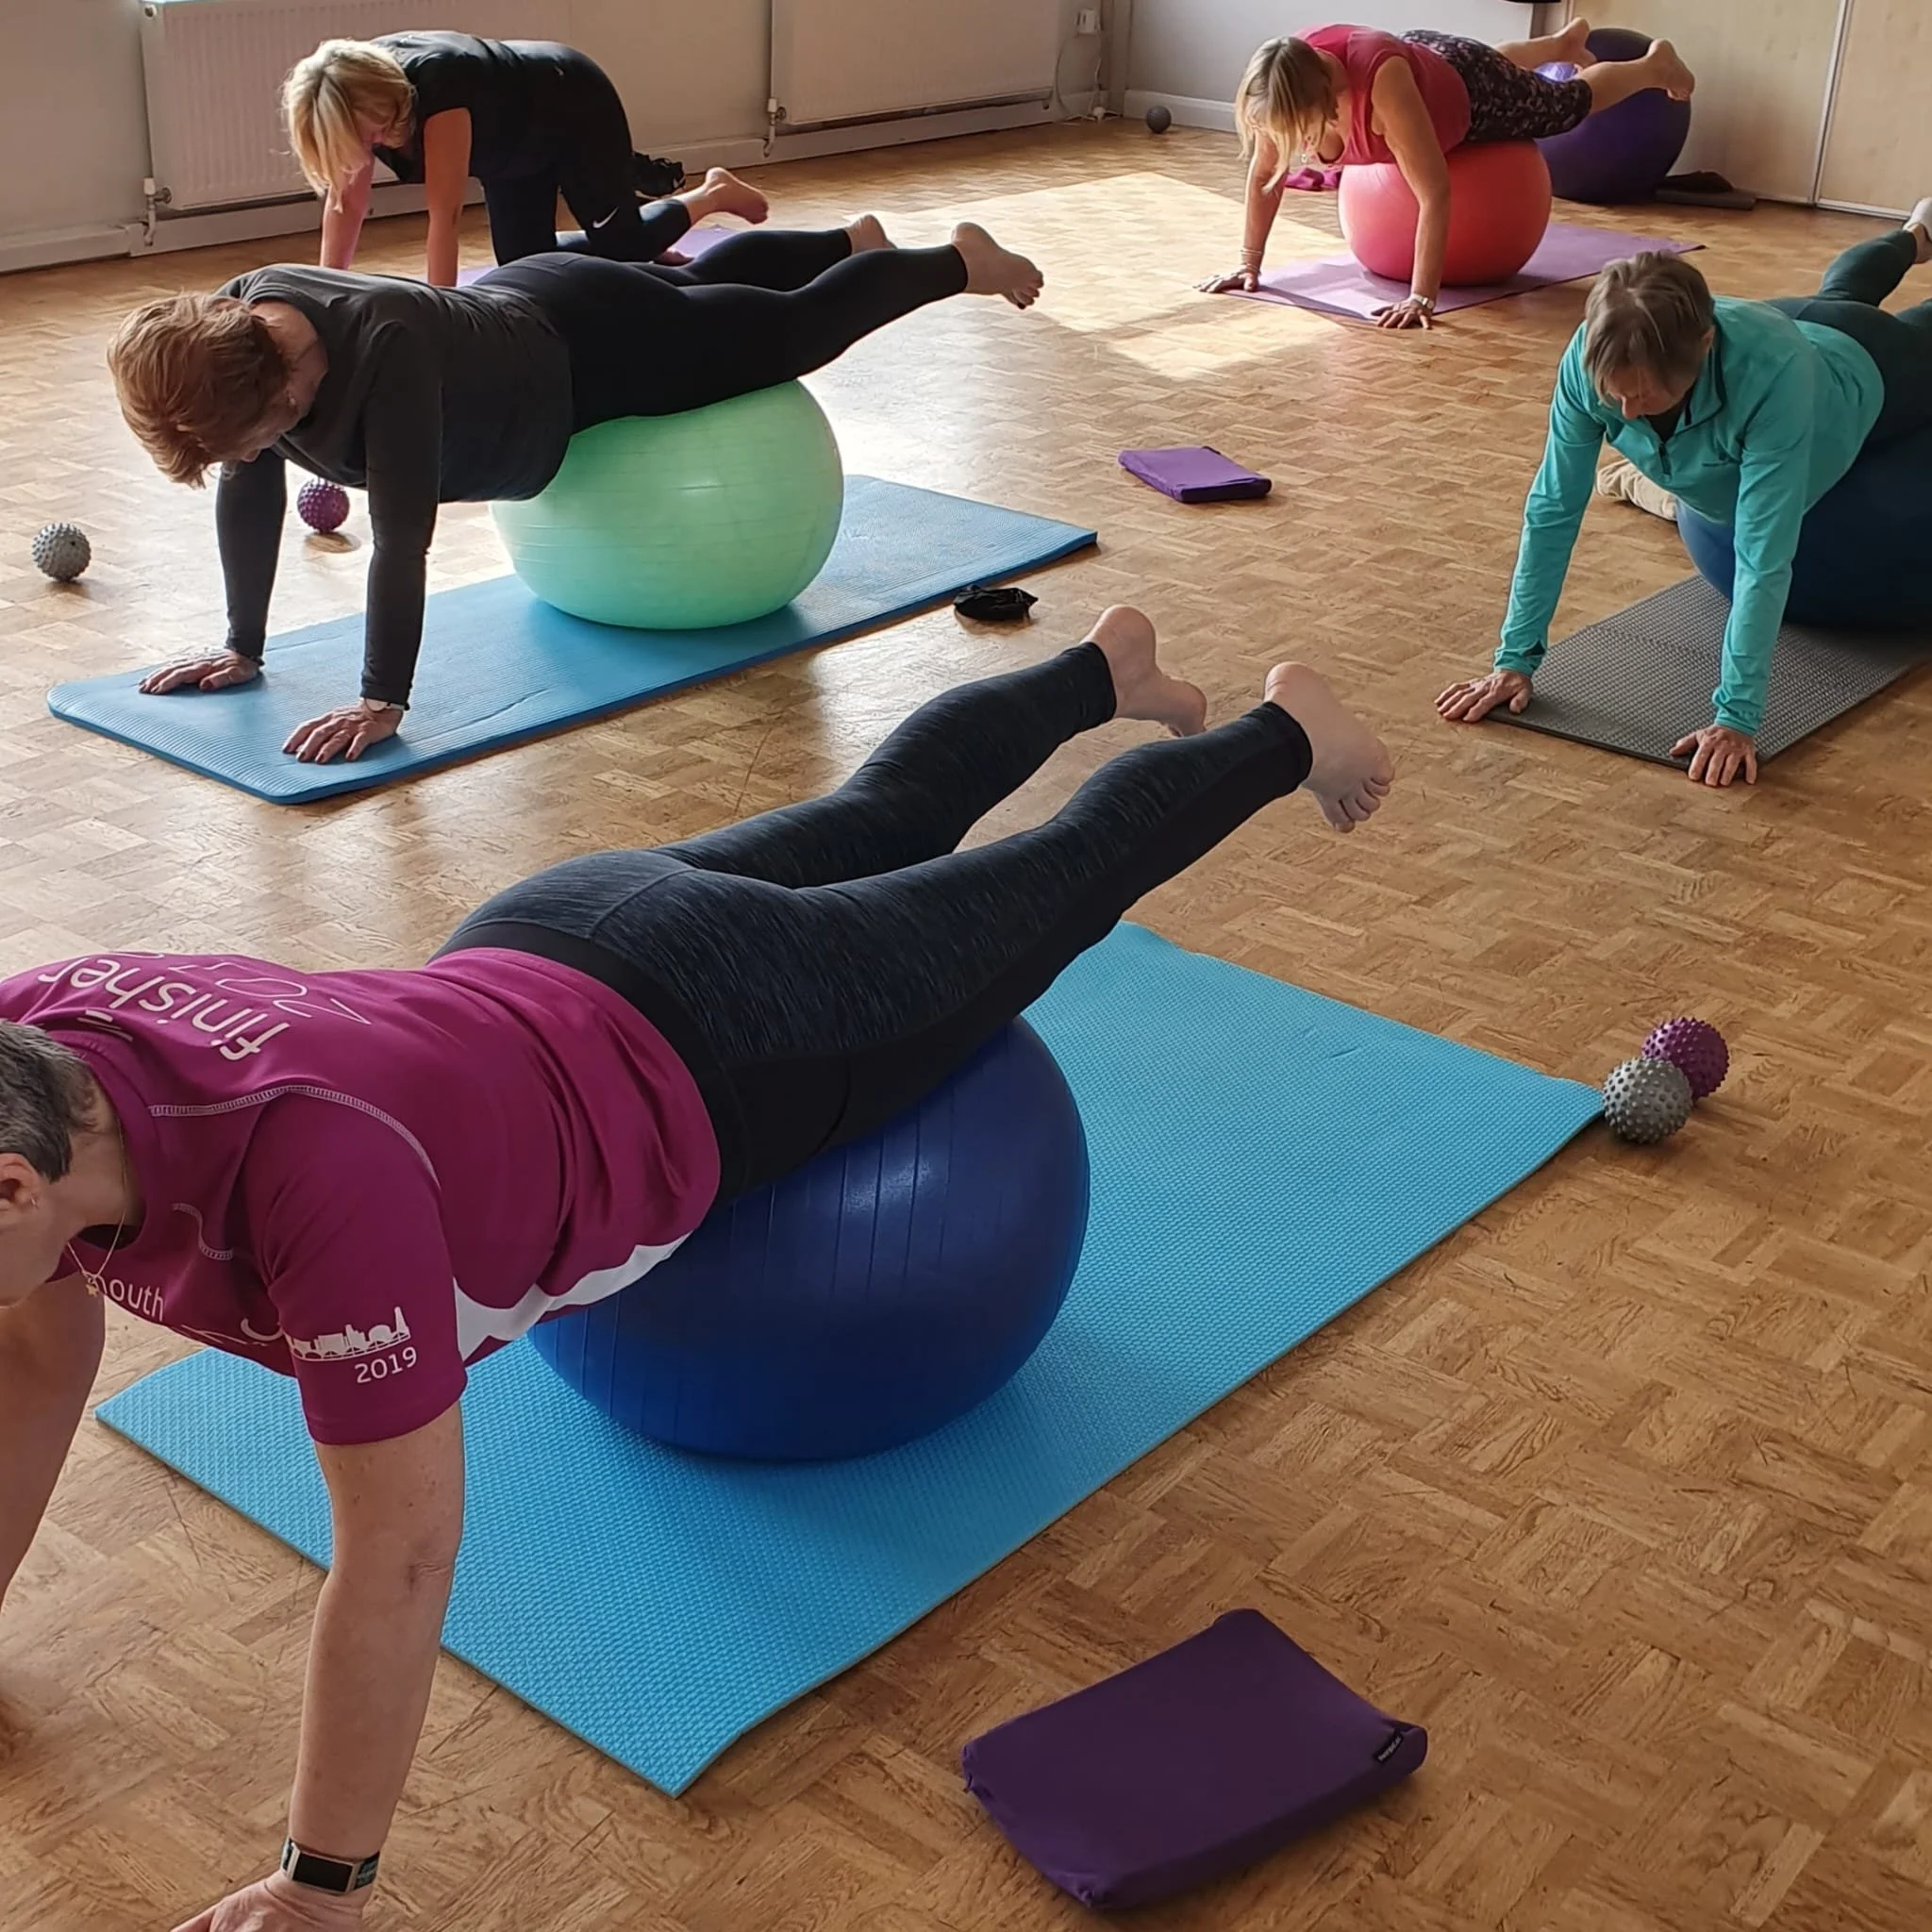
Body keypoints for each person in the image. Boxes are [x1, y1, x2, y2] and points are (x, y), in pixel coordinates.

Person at [0, 608, 1395, 1932]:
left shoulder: (318, 1189)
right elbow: (31, 1354)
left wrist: (321, 1884)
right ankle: (1104, 668)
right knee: (874, 820)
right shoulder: (30, 1039)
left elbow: (404, 1554)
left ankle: (1285, 732)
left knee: (1049, 888)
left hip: (727, 1032)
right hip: (555, 929)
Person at [107, 217, 1045, 764]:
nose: (271, 449)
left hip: (592, 350)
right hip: (524, 304)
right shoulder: (236, 328)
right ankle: (845, 237)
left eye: (269, 430)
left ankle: (960, 259)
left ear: (281, 378)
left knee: (790, 331)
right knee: (700, 292)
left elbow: (400, 539)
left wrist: (380, 699)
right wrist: (241, 644)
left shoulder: (380, 352)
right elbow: (246, 474)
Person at [1437, 207, 1932, 787]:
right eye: (1612, 396)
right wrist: (1513, 660)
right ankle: (1915, 235)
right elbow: (1552, 510)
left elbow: (1763, 553)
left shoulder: (1775, 378)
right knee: (1841, 291)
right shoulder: (1594, 358)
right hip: (1785, 325)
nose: (1622, 414)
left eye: (1642, 397)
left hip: (1861, 366)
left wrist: (1737, 718)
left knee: (1892, 321)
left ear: (1702, 345)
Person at [1201, 20, 1694, 328]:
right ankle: (1559, 43)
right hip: (1433, 61)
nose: (1291, 144)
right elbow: (1264, 174)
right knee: (1480, 62)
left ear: (1326, 102)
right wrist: (1250, 263)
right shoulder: (1283, 80)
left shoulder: (1382, 90)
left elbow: (1434, 191)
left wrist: (1421, 295)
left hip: (1468, 90)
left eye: (1296, 130)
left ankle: (1652, 66)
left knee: (1564, 105)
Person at [283, 34, 750, 286]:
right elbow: (346, 204)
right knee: (527, 269)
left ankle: (709, 194)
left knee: (622, 245)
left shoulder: (439, 91)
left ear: (389, 103)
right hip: (510, 145)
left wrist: (441, 325)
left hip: (569, 101)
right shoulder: (350, 99)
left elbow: (443, 221)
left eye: (375, 135)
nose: (373, 149)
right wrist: (326, 293)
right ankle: (639, 237)